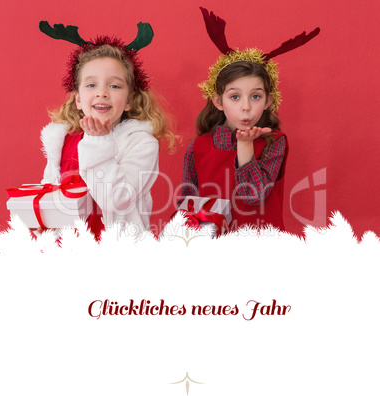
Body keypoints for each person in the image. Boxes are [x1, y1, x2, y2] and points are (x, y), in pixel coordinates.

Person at [179, 8, 319, 233]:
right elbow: (187, 204)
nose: (245, 106)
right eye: (235, 97)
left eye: (255, 96)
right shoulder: (198, 147)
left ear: (268, 100)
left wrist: (245, 146)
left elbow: (253, 196)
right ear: (218, 101)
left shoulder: (275, 142)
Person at [39, 22, 175, 240]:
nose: (102, 92)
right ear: (78, 99)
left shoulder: (140, 143)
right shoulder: (62, 141)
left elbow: (115, 199)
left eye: (114, 86)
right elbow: (50, 193)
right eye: (91, 85)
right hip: (66, 250)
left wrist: (99, 143)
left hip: (116, 254)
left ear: (129, 100)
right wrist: (43, 222)